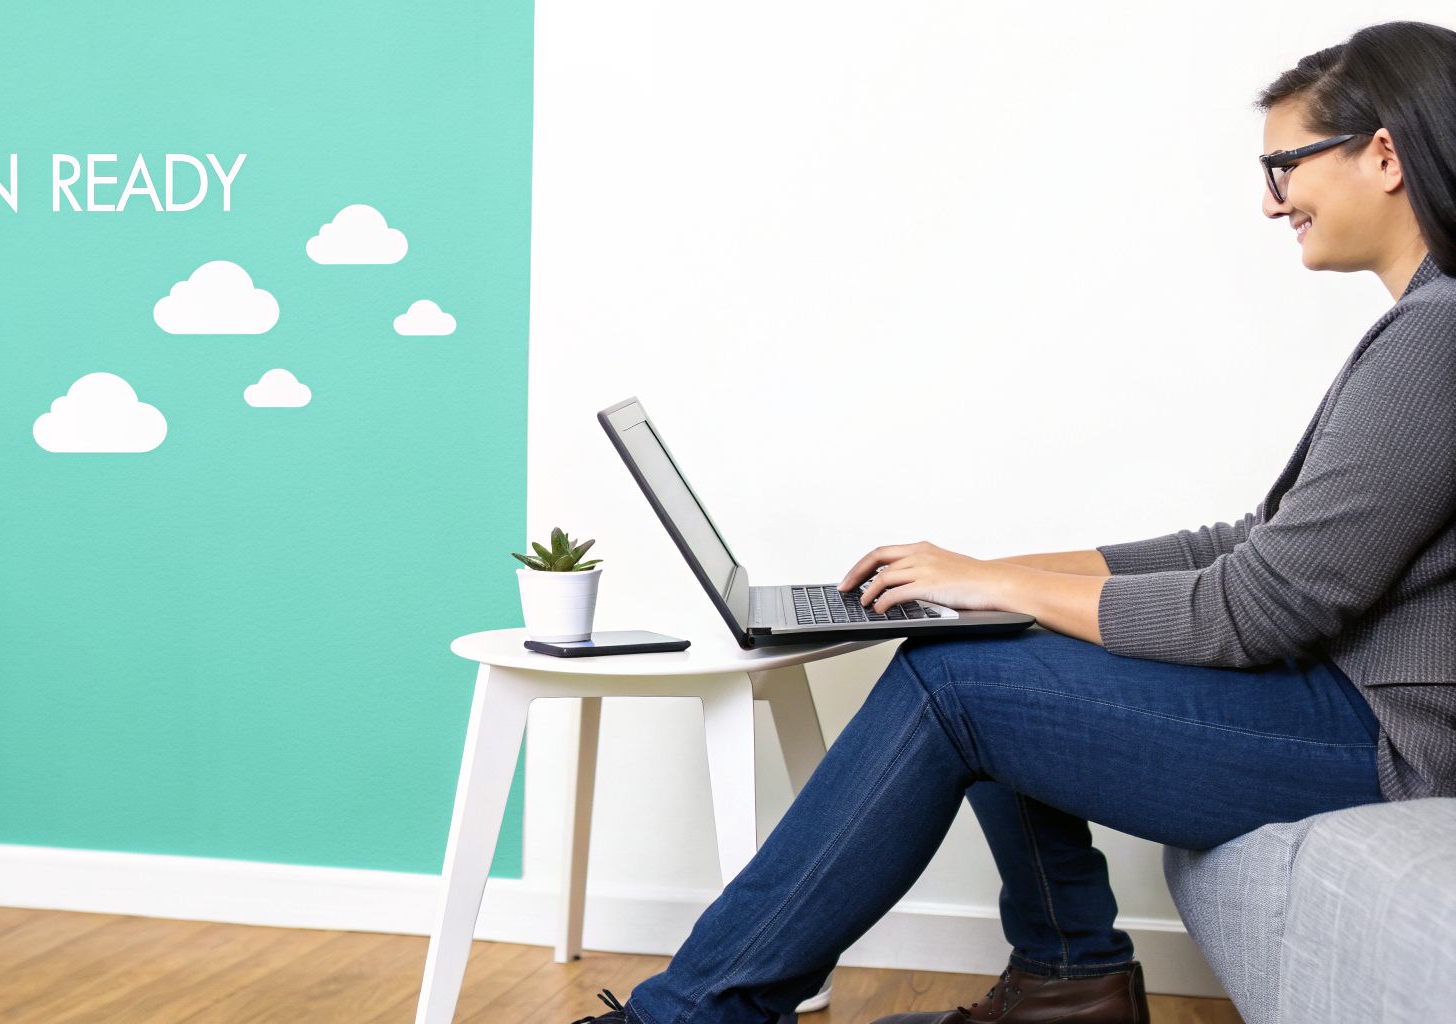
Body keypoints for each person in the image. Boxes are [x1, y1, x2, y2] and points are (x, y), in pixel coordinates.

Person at [569, 19, 1456, 1024]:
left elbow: (1255, 609)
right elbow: (1252, 544)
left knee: (953, 685)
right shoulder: (1425, 324)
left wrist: (996, 585)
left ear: (1383, 155)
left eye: (1282, 166)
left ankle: (684, 1016)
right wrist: (987, 579)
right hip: (1349, 708)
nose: (1269, 200)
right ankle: (1069, 980)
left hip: (1386, 743)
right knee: (990, 638)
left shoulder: (1436, 335)